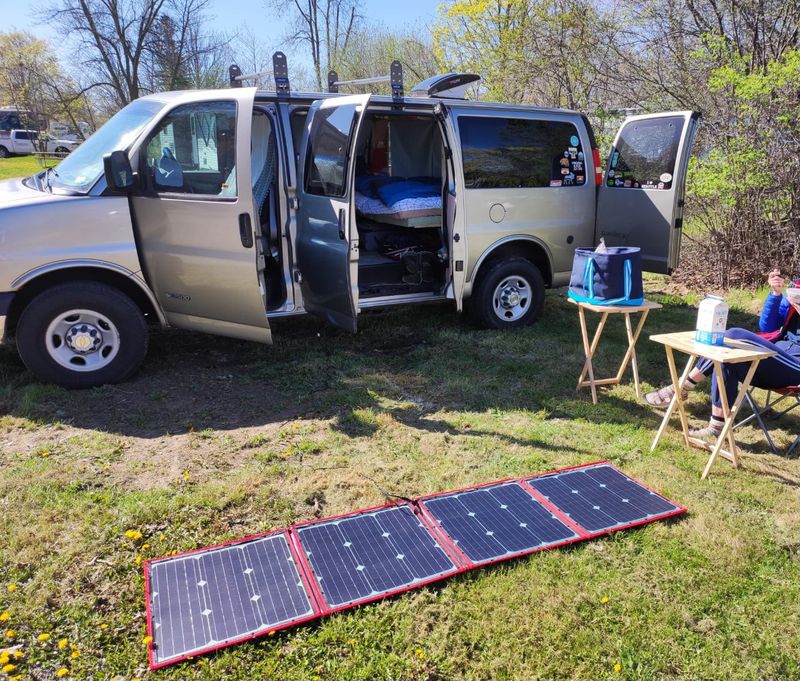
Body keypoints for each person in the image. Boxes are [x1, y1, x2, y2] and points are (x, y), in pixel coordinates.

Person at [645, 269, 800, 437]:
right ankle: (716, 428)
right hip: (774, 360)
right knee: (725, 359)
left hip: (794, 369)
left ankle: (682, 387)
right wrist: (776, 295)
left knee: (735, 335)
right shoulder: (797, 288)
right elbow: (767, 327)